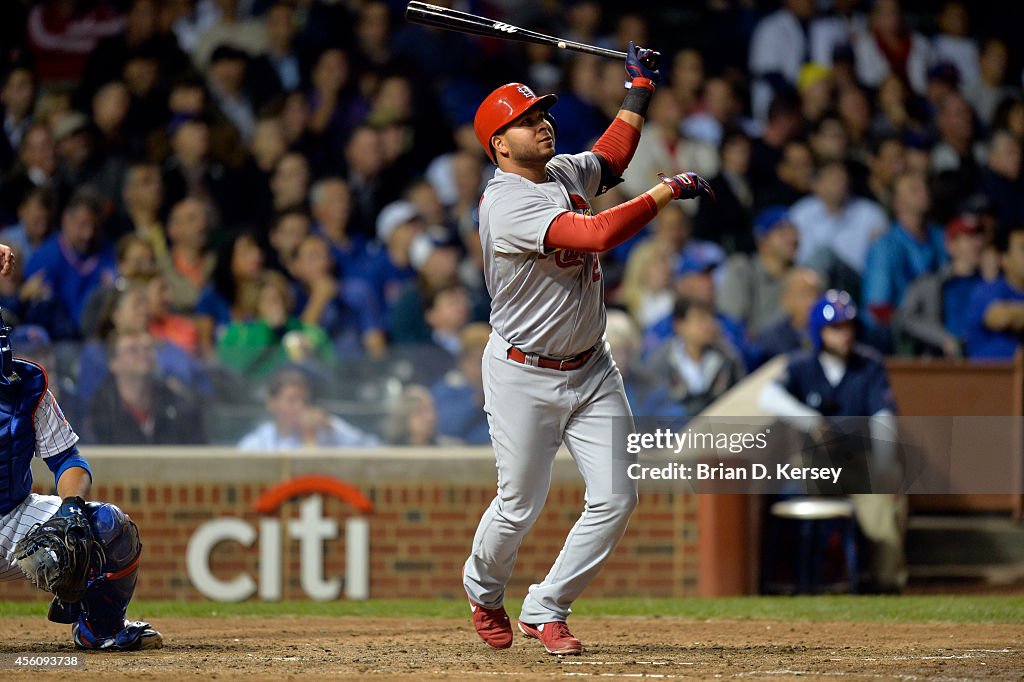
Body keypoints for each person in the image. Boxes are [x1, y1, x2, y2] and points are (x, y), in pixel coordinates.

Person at [462, 43, 715, 656]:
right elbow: (595, 234)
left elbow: (608, 156)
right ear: (499, 144)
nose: (541, 123)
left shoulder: (557, 173)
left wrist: (638, 89)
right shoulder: (507, 203)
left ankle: (547, 607)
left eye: (541, 114)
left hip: (591, 366)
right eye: (525, 120)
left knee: (617, 497)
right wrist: (664, 193)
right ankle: (482, 586)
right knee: (520, 506)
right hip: (524, 371)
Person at [0, 312, 162, 650]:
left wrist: (72, 508)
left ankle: (100, 630)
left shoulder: (27, 385)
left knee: (106, 526)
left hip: (12, 516)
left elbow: (66, 459)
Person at [758, 290, 906, 593]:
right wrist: (812, 421)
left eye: (848, 327)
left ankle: (886, 589)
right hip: (818, 468)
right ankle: (811, 584)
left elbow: (883, 417)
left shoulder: (869, 365)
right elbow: (768, 396)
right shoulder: (802, 366)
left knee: (886, 517)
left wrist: (885, 465)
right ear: (819, 332)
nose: (844, 335)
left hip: (862, 465)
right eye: (835, 328)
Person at [89, 330, 205, 445]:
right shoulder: (100, 410)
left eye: (148, 348)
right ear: (113, 363)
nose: (143, 354)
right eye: (132, 350)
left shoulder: (178, 404)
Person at [896, 214, 984, 357]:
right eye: (969, 238)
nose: (977, 243)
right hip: (942, 360)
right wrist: (943, 339)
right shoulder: (930, 283)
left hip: (984, 359)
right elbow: (906, 318)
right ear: (951, 245)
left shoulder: (990, 283)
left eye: (979, 236)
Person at [646, 297, 746, 416]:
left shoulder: (728, 357)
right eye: (700, 319)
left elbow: (741, 398)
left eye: (710, 317)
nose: (708, 324)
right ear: (679, 325)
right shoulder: (660, 363)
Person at [239, 369, 379, 450]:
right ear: (272, 403)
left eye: (304, 400)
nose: (300, 407)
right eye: (292, 400)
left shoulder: (327, 430)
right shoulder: (258, 442)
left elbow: (374, 447)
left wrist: (330, 426)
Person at [716, 206, 800, 337]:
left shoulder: (803, 276)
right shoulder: (743, 271)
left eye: (793, 232)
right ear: (761, 240)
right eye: (782, 234)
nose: (792, 239)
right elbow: (730, 324)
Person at [964, 225, 1024, 359]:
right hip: (987, 376)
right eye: (1023, 249)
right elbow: (1000, 318)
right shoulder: (986, 290)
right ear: (1004, 259)